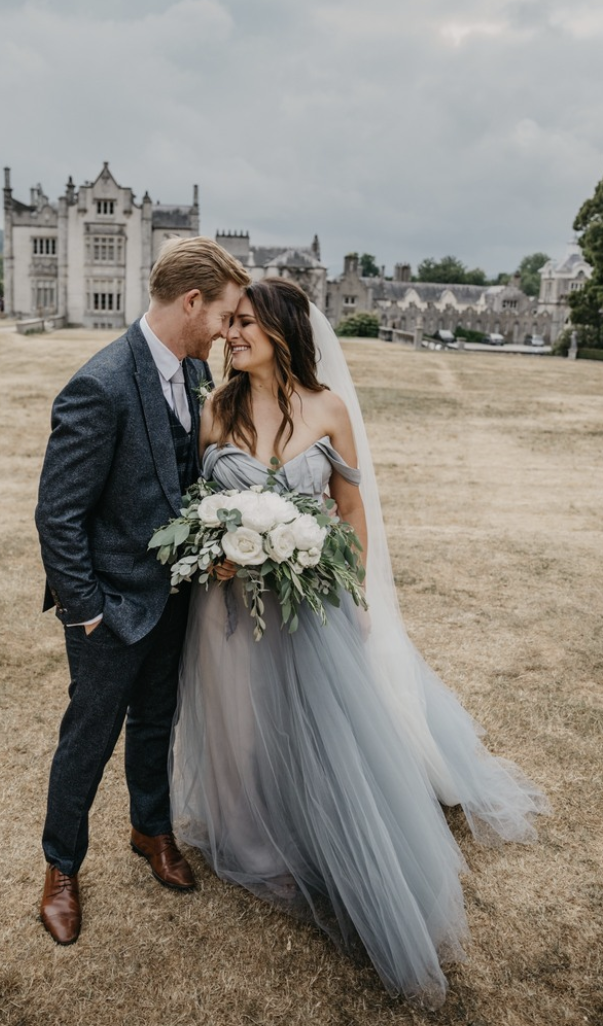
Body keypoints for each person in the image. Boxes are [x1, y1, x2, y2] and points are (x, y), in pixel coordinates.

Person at [171, 278, 547, 1007]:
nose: (230, 335)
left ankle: (327, 834)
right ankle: (252, 837)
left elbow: (350, 509)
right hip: (230, 604)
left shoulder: (329, 409)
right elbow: (199, 505)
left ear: (281, 331)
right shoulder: (216, 411)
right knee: (240, 723)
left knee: (321, 729)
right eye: (230, 324)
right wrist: (216, 546)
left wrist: (357, 591)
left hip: (311, 602)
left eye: (245, 323)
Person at [34, 236, 250, 945]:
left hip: (175, 599)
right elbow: (57, 514)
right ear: (192, 303)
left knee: (158, 720)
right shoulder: (99, 383)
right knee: (87, 738)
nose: (226, 331)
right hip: (109, 607)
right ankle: (61, 868)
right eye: (222, 315)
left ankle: (149, 829)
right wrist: (87, 612)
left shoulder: (190, 376)